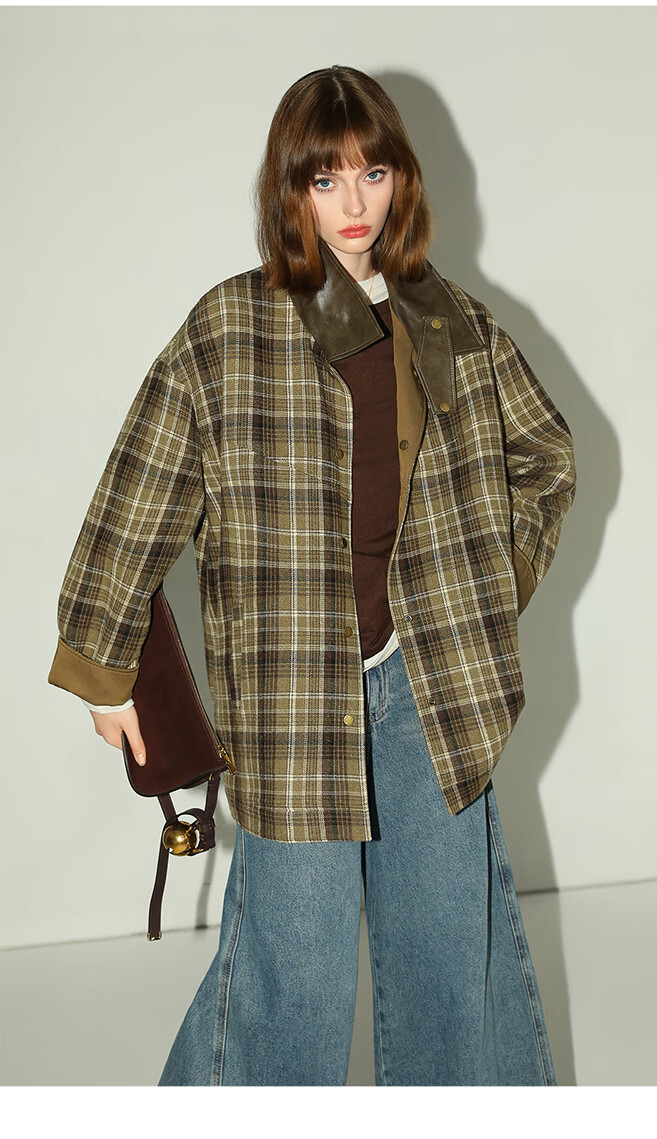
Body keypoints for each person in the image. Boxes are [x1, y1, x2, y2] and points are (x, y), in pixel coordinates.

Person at [48, 65, 576, 1086]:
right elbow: (142, 489)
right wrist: (103, 667)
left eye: (372, 174)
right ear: (289, 191)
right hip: (294, 698)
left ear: (401, 179)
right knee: (292, 974)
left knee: (450, 963)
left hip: (431, 691)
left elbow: (546, 459)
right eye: (325, 179)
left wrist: (485, 592)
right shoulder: (230, 328)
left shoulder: (451, 321)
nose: (352, 203)